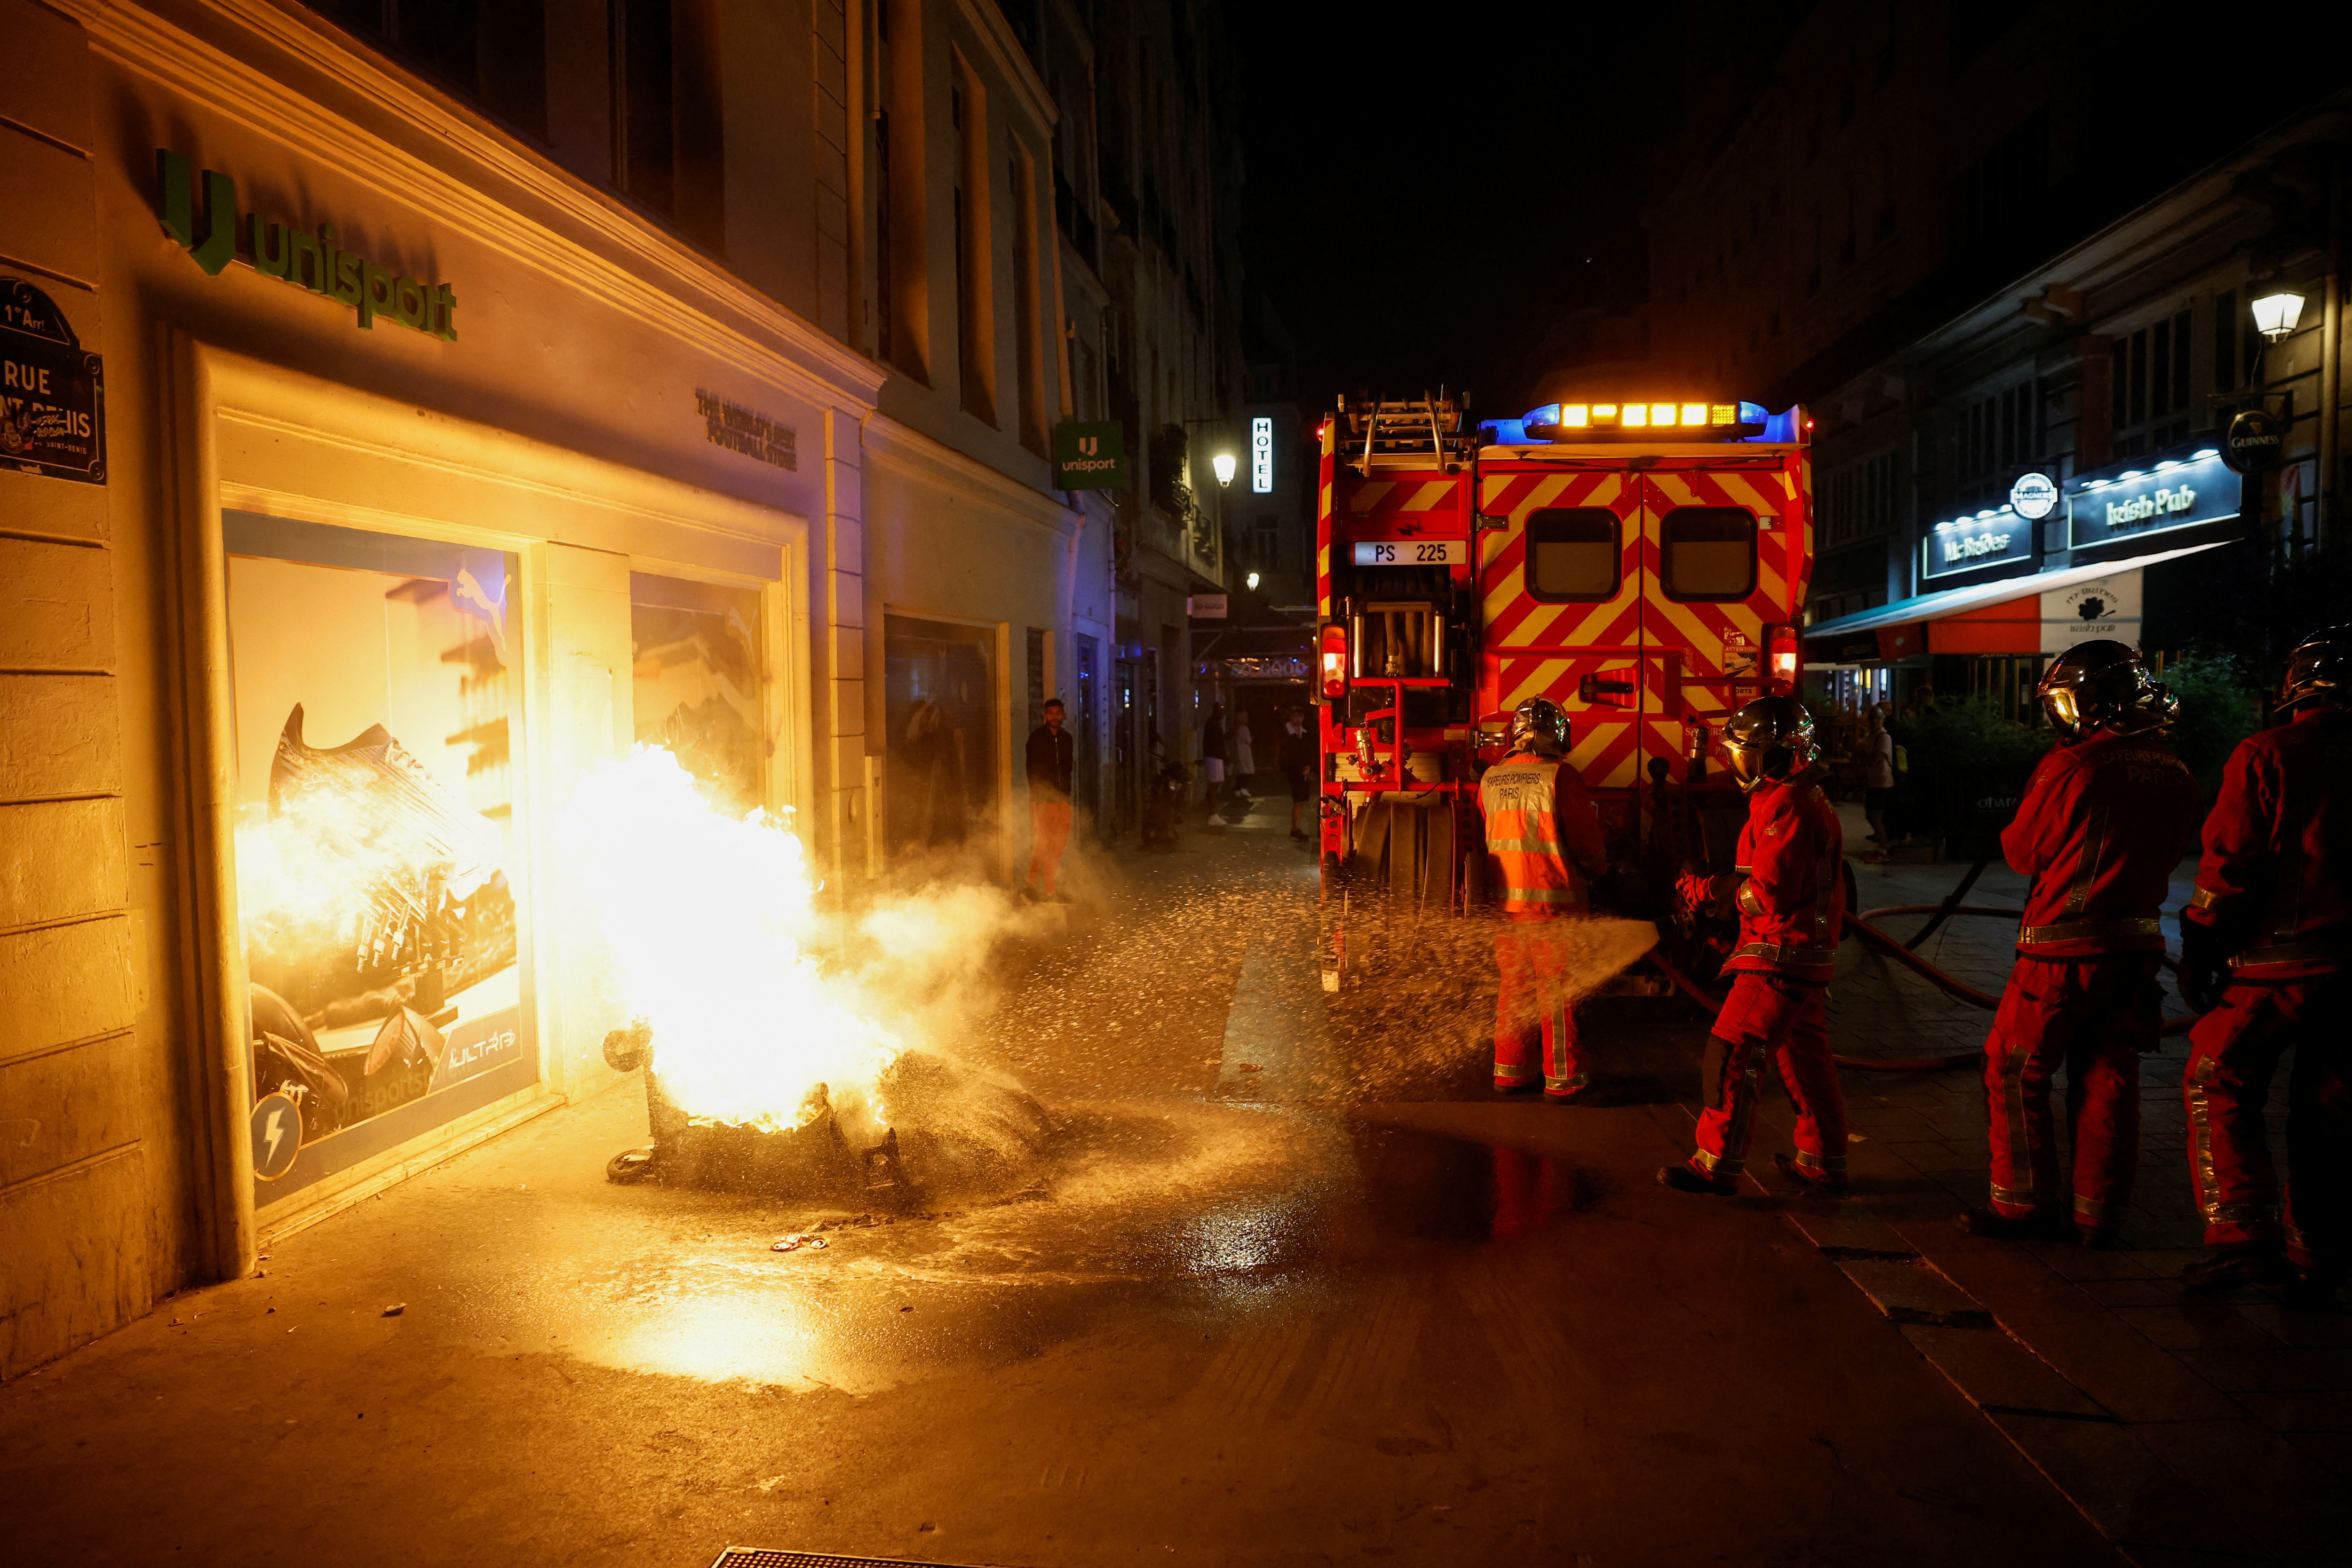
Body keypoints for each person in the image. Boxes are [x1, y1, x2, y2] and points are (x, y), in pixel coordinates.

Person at [1961, 641, 2199, 1247]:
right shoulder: (2175, 769)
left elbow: (2021, 852)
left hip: (2059, 956)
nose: (2064, 716)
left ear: (2097, 700)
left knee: (2014, 1073)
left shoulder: (2072, 766)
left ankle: (2021, 1206)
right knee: (2109, 1078)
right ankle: (2099, 1215)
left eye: (2069, 702)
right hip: (2136, 952)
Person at [2176, 626, 2351, 1306]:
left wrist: (2201, 944)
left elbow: (2230, 865)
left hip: (2282, 963)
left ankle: (2243, 1239)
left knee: (2216, 1078)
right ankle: (2319, 1248)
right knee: (2330, 1104)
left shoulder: (2269, 752)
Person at [1661, 696, 1850, 1196]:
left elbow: (1766, 892)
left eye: (1746, 754)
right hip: (1798, 953)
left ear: (1775, 753)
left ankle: (1715, 1165)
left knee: (1732, 1052)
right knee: (1805, 1062)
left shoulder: (1788, 805)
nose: (1740, 764)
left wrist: (1711, 895)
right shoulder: (1789, 797)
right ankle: (1823, 1159)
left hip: (1779, 953)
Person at [1480, 697, 1610, 1103]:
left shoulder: (1491, 778)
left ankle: (1512, 1072)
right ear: (1559, 734)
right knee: (1556, 995)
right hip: (1554, 907)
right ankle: (1564, 1078)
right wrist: (1600, 870)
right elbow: (1587, 843)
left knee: (1514, 990)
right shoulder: (1560, 776)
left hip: (1506, 910)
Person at [1023, 698, 1075, 901]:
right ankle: (1047, 890)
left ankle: (1034, 884)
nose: (1055, 716)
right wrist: (1037, 796)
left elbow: (1068, 768)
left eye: (1058, 713)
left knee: (1057, 846)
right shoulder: (1036, 738)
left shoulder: (1067, 739)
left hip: (1063, 798)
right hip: (1044, 799)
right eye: (1051, 713)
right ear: (1045, 715)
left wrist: (1068, 795)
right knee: (1044, 845)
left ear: (1063, 715)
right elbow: (1032, 769)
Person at [1861, 704, 1896, 861]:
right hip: (1874, 780)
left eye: (1877, 718)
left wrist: (1863, 759)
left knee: (1875, 815)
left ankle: (1883, 848)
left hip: (1882, 782)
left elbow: (1876, 758)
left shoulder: (1884, 737)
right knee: (1873, 815)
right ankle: (1884, 845)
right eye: (1872, 718)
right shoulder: (1873, 735)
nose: (1874, 721)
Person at [1280, 707, 1316, 842]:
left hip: (1302, 769)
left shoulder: (1304, 733)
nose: (1298, 719)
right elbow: (1286, 752)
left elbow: (1308, 750)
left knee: (1300, 800)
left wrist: (1308, 766)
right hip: (1293, 769)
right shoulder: (1286, 733)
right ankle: (1295, 829)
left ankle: (1296, 828)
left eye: (1300, 717)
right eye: (1295, 716)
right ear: (1291, 718)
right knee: (1298, 799)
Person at [1201, 704, 1230, 825]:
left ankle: (1212, 814)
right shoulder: (1213, 723)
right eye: (1221, 710)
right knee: (1214, 786)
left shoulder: (1213, 723)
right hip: (1214, 757)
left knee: (1214, 785)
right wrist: (1232, 732)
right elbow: (1218, 740)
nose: (1223, 713)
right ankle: (1212, 815)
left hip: (1214, 757)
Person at [1230, 710, 1255, 799]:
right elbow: (1248, 741)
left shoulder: (1237, 729)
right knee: (1247, 771)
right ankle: (1243, 788)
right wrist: (1251, 738)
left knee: (1240, 771)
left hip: (1239, 752)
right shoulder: (1244, 729)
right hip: (1245, 752)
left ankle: (1238, 789)